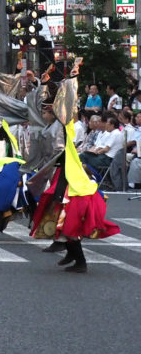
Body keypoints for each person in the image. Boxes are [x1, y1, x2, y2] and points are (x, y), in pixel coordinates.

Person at [31, 70, 120, 273]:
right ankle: (71, 254)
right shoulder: (48, 129)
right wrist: (42, 84)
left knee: (67, 220)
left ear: (54, 113)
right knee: (57, 217)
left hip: (70, 179)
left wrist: (71, 80)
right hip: (59, 177)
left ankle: (80, 261)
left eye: (45, 111)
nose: (42, 115)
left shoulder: (63, 127)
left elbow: (67, 105)